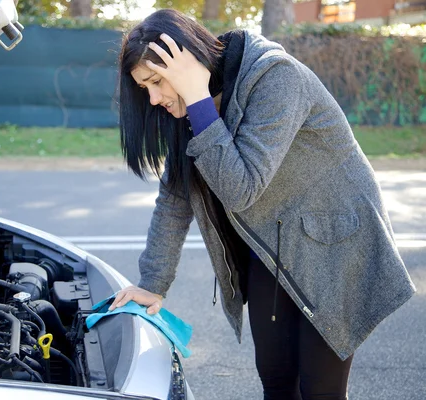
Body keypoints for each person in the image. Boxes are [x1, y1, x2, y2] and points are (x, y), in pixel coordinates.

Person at [108, 8, 416, 400]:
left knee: (320, 389)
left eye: (155, 82)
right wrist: (152, 284)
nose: (153, 99)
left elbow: (241, 188)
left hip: (335, 238)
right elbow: (175, 196)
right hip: (272, 241)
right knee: (275, 376)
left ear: (186, 62)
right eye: (143, 89)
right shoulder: (187, 109)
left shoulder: (276, 77)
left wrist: (198, 98)